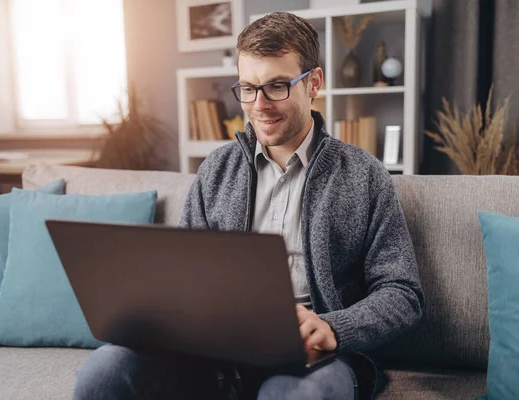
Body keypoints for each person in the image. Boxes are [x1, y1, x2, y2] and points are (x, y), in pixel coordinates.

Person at [73, 11, 424, 400]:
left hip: (314, 358)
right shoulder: (216, 170)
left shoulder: (364, 175)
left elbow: (402, 292)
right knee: (104, 373)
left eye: (277, 86)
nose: (260, 105)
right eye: (247, 88)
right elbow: (185, 275)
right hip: (212, 353)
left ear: (314, 83)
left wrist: (334, 328)